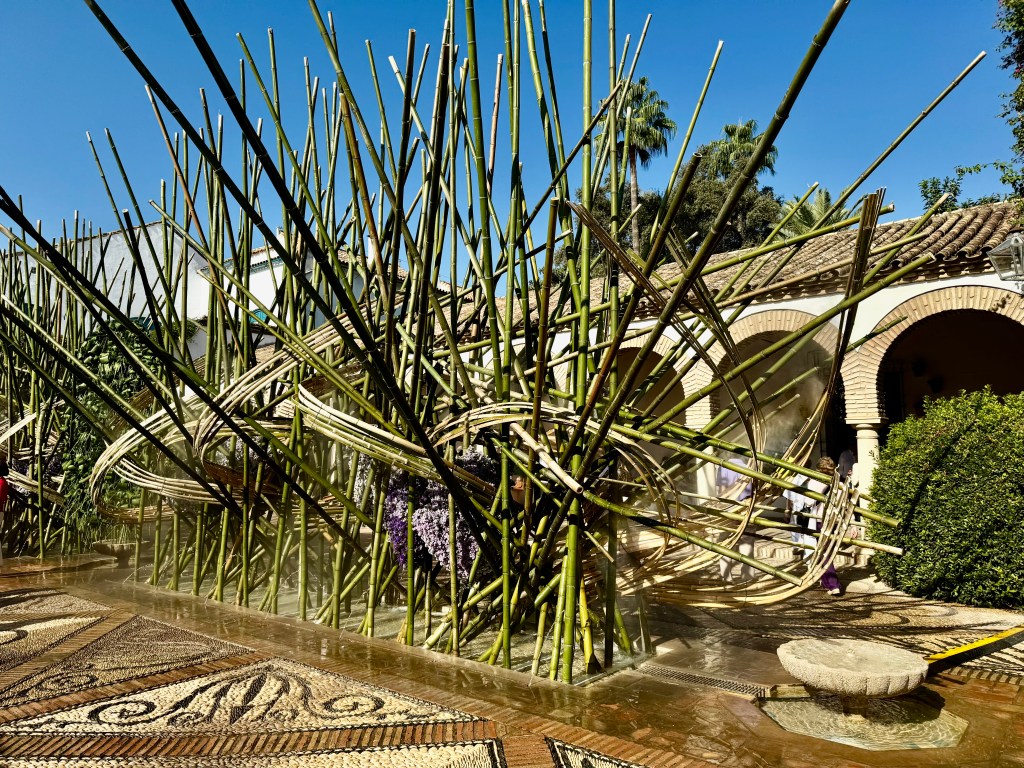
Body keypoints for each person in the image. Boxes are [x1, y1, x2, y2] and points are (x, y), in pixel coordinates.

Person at [787, 456, 842, 595]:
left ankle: (833, 584)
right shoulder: (838, 483)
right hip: (833, 520)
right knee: (826, 551)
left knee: (822, 553)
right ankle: (825, 582)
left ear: (818, 469)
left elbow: (809, 502)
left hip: (819, 520)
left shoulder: (814, 482)